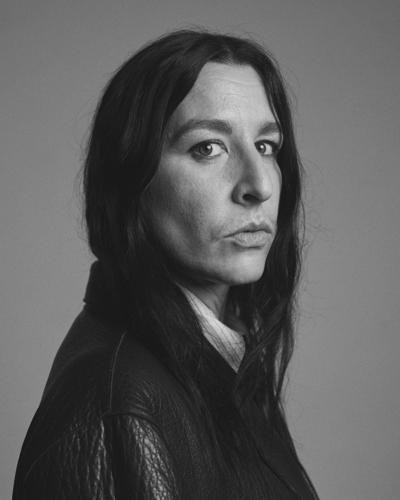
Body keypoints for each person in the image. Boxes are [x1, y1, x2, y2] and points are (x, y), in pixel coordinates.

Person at [13, 29, 319, 499]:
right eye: (207, 148)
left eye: (266, 146)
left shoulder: (223, 364)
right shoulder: (117, 405)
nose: (259, 185)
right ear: (132, 178)